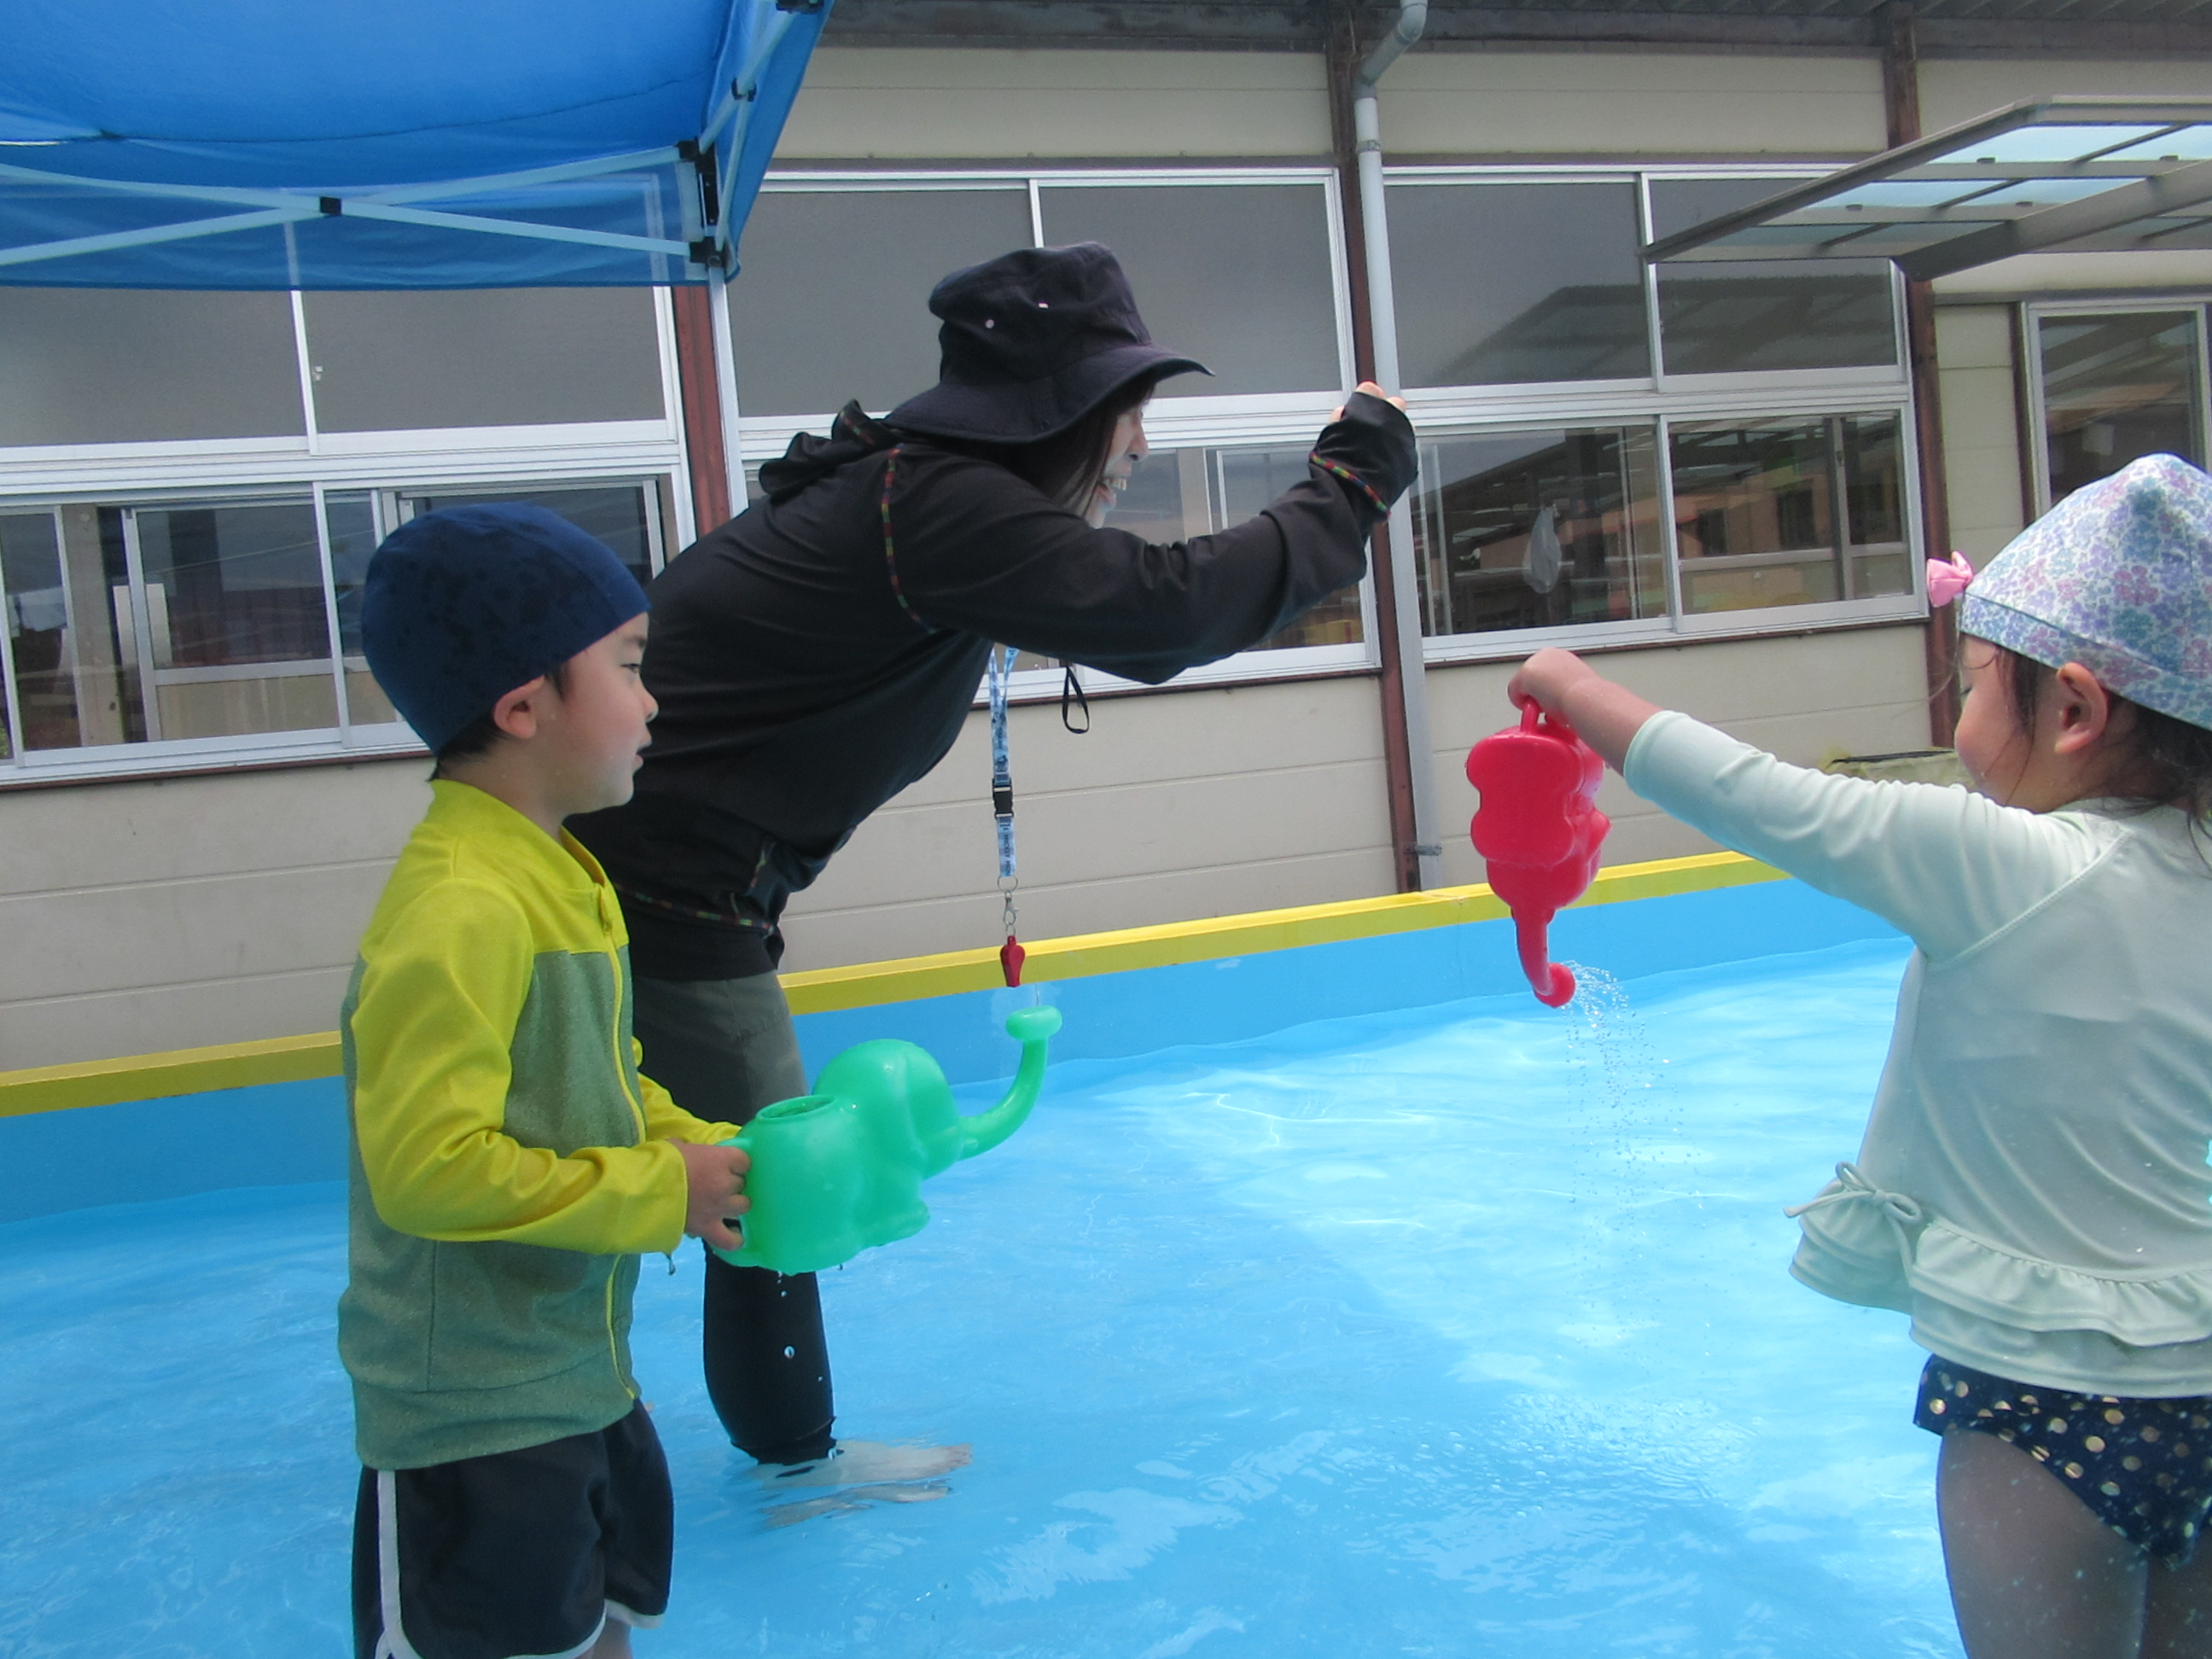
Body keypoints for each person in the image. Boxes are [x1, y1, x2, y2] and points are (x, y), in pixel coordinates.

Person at [570, 242, 1418, 1475]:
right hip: (654, 890)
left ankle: (613, 1446)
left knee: (682, 1169)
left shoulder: (915, 500)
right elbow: (1170, 610)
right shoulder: (935, 508)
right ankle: (796, 1471)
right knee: (777, 1178)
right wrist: (1351, 483)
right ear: (1065, 411)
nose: (1139, 446)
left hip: (643, 876)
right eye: (1130, 411)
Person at [1506, 453, 2212, 1657]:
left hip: (2044, 1402)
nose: (1960, 720)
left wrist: (1571, 687)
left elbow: (1763, 799)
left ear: (2076, 712)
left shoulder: (2003, 865)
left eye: (1975, 686)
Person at [340, 504, 752, 1659]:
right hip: (471, 1418)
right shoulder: (459, 906)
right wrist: (658, 1193)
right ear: (525, 706)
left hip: (577, 1377)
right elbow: (429, 1172)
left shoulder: (558, 874)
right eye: (629, 666)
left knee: (601, 1630)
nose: (653, 702)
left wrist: (711, 1155)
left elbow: (602, 1082)